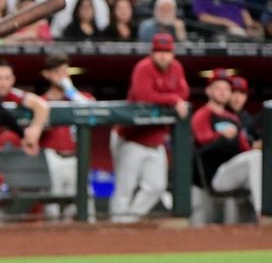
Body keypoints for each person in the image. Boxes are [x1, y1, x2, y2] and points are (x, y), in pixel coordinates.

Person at [110, 33, 189, 222]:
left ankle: (129, 221)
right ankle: (116, 227)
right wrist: (172, 98)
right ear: (152, 53)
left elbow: (184, 91)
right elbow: (144, 95)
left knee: (156, 186)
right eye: (159, 52)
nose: (163, 56)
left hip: (155, 140)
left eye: (167, 52)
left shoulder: (176, 68)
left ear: (173, 54)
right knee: (125, 187)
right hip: (131, 138)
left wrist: (173, 97)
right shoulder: (143, 67)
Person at [191, 69, 261, 218]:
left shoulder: (233, 118)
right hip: (216, 175)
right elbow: (202, 140)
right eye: (218, 88)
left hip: (234, 173)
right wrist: (220, 135)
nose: (223, 93)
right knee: (255, 157)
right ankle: (263, 212)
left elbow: (245, 149)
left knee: (260, 159)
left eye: (226, 89)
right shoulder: (202, 114)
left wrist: (255, 147)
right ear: (209, 91)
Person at [38, 53, 95, 219]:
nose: (61, 76)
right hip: (51, 157)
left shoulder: (79, 97)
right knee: (52, 210)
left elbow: (90, 108)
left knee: (81, 206)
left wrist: (70, 90)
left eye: (64, 71)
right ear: (47, 74)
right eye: (56, 72)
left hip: (76, 158)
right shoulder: (40, 101)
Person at [227, 75, 260, 147]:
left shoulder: (248, 118)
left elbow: (256, 139)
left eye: (242, 92)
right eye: (234, 92)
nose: (237, 97)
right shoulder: (218, 114)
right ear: (227, 93)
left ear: (246, 97)